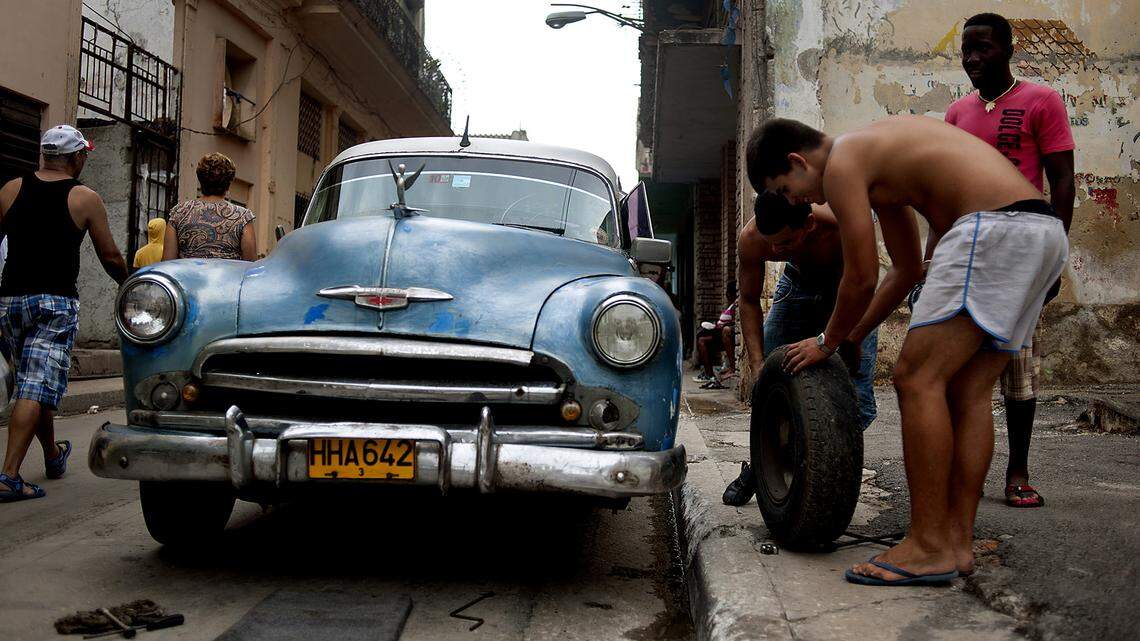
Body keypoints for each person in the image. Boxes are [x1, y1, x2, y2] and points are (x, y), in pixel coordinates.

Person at [750, 115, 1067, 586]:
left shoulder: (841, 164)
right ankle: (955, 544)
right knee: (969, 391)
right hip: (1040, 233)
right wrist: (855, 335)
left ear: (797, 160)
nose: (796, 203)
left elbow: (859, 277)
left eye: (785, 189)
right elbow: (903, 269)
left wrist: (827, 341)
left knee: (916, 378)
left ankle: (927, 545)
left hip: (993, 227)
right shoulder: (875, 156)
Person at [934, 12, 1075, 509]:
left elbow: (1062, 180)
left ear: (1009, 49)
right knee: (953, 367)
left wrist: (1053, 258)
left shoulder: (1041, 101)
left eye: (984, 48)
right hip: (966, 248)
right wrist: (934, 257)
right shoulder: (956, 113)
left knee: (1016, 368)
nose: (973, 58)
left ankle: (1017, 472)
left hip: (1021, 249)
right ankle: (958, 470)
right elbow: (945, 191)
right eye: (966, 50)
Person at [722, 191, 879, 506]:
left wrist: (851, 337)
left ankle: (815, 465)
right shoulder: (752, 239)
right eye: (773, 245)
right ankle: (763, 463)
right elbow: (749, 301)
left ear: (808, 224)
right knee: (770, 385)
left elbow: (864, 281)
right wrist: (756, 365)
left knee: (857, 400)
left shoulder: (845, 222)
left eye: (785, 243)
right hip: (796, 284)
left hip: (848, 287)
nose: (776, 250)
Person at [0, 125, 128, 501]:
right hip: (54, 303)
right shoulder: (84, 197)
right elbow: (110, 256)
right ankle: (9, 475)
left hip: (10, 302)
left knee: (33, 383)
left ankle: (53, 455)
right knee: (33, 387)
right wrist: (128, 282)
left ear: (43, 155)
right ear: (77, 158)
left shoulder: (10, 189)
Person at [163, 153, 257, 261]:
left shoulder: (179, 212)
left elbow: (167, 262)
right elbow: (250, 265)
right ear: (229, 182)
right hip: (229, 278)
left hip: (187, 277)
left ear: (200, 180)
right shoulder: (242, 217)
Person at [693, 282, 736, 389]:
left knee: (702, 340)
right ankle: (709, 373)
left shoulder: (736, 305)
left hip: (723, 332)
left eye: (728, 293)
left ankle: (710, 373)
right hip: (719, 331)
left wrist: (720, 326)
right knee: (701, 336)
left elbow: (735, 322)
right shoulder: (732, 305)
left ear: (730, 294)